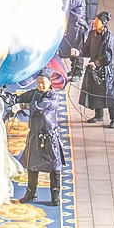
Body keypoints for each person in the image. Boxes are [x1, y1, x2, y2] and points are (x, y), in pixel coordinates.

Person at [16, 72, 67, 205]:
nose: (41, 84)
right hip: (35, 136)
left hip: (49, 137)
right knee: (32, 165)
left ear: (50, 83)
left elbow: (39, 107)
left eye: (43, 82)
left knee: (54, 166)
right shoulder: (34, 93)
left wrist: (23, 106)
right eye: (38, 81)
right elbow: (19, 98)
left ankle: (55, 195)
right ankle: (31, 193)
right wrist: (6, 97)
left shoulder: (53, 97)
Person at [80, 11, 114, 126]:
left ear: (103, 23)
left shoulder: (110, 37)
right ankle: (98, 115)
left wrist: (96, 63)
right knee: (95, 92)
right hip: (94, 69)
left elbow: (108, 56)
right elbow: (86, 49)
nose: (94, 22)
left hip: (105, 71)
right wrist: (79, 52)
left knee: (110, 95)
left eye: (97, 21)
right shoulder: (92, 34)